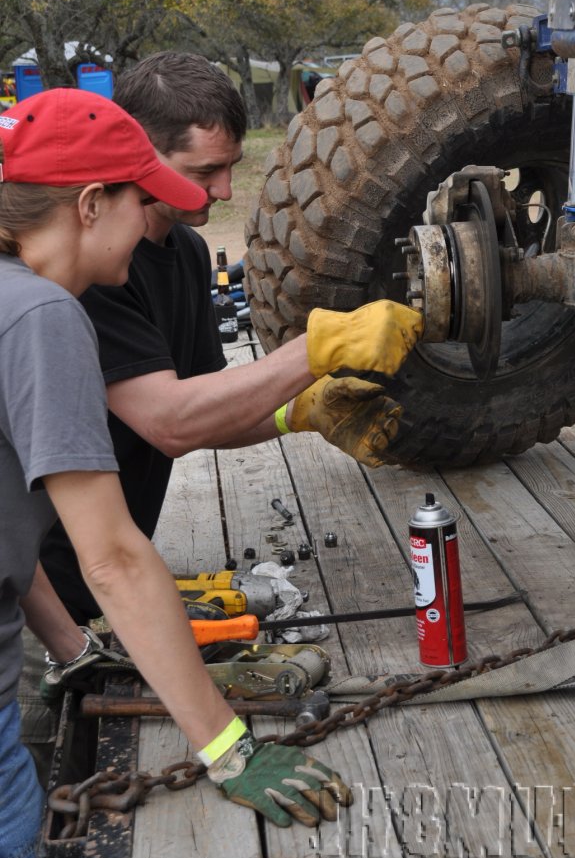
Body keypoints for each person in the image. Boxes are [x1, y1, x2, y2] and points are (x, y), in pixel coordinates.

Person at [2, 90, 417, 858]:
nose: (160, 210)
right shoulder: (43, 316)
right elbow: (116, 557)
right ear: (92, 204)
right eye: (140, 194)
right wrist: (228, 748)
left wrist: (71, 646)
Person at [40, 52, 419, 625]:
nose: (222, 191)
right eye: (203, 172)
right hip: (43, 589)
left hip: (111, 579)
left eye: (231, 168)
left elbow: (204, 409)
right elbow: (171, 423)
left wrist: (302, 412)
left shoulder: (187, 253)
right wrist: (314, 350)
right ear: (139, 154)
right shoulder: (87, 271)